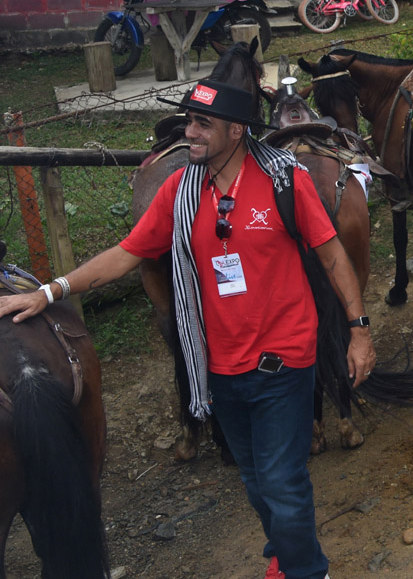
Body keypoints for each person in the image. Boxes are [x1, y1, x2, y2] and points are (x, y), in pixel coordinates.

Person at [0, 79, 376, 579]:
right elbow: (127, 253)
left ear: (237, 130)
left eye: (202, 124)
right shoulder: (182, 192)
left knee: (284, 484)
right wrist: (48, 292)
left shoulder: (286, 182)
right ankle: (286, 552)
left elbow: (332, 255)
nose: (190, 133)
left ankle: (308, 570)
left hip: (284, 361)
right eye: (189, 122)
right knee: (255, 482)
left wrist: (359, 330)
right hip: (218, 368)